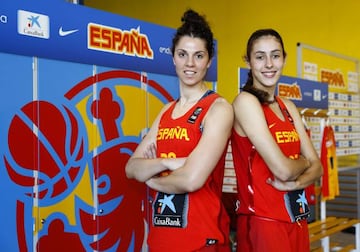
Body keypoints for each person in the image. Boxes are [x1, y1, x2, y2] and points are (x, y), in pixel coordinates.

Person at [125, 9, 234, 252]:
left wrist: (151, 177)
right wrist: (169, 162)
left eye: (198, 55)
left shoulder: (218, 108)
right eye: (183, 54)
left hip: (202, 240)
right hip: (162, 240)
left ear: (209, 60)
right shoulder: (166, 111)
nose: (190, 64)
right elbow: (131, 168)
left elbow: (191, 180)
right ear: (173, 57)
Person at [231, 28, 323, 252]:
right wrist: (303, 162)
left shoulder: (288, 106)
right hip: (264, 223)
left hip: (296, 217)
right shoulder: (246, 102)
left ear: (284, 59)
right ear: (249, 61)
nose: (269, 64)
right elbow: (282, 170)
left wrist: (298, 182)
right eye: (260, 57)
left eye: (275, 55)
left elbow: (318, 166)